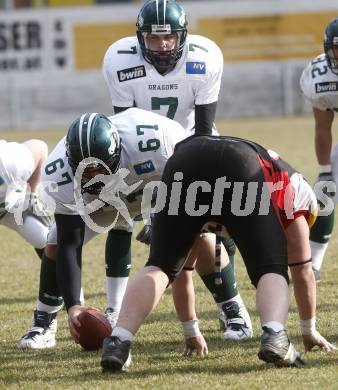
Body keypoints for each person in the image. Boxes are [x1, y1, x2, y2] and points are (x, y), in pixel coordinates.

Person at [100, 134, 337, 371]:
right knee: (271, 268)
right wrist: (309, 330)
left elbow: (183, 269)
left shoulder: (281, 182)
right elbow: (303, 270)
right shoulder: (298, 197)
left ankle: (119, 340)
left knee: (161, 266)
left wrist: (191, 330)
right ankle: (275, 335)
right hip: (240, 165)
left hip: (185, 160)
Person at [17, 108, 233, 350]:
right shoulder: (58, 174)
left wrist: (158, 219)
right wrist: (74, 306)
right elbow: (70, 243)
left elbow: (189, 186)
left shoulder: (159, 142)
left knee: (200, 234)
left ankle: (232, 310)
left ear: (116, 151)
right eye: (85, 171)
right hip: (99, 203)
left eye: (100, 168)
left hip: (150, 188)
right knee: (55, 242)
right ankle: (43, 323)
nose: (94, 177)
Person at [102, 0, 252, 340]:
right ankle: (115, 308)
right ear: (140, 38)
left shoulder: (204, 56)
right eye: (154, 39)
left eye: (169, 37)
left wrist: (176, 192)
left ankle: (233, 309)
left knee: (202, 230)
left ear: (182, 34)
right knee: (120, 212)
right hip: (142, 149)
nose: (163, 45)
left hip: (195, 144)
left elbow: (202, 129)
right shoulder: (119, 59)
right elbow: (126, 124)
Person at [300, 16, 338, 281]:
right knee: (325, 191)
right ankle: (313, 261)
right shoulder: (319, 77)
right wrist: (325, 170)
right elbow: (323, 127)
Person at [0, 139, 50, 258]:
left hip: (12, 206)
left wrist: (32, 195)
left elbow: (40, 147)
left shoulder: (10, 164)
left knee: (44, 239)